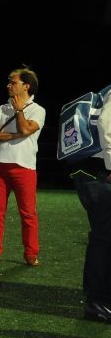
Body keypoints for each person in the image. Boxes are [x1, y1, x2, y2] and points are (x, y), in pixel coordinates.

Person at [0, 68, 45, 266]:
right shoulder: (1, 108)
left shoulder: (38, 110)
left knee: (28, 213)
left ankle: (31, 254)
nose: (8, 85)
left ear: (26, 86)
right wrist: (15, 136)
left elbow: (26, 128)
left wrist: (19, 111)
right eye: (8, 81)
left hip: (24, 167)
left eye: (13, 82)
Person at [71, 86, 111, 323]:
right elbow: (106, 123)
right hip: (101, 173)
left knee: (102, 238)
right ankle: (99, 303)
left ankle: (98, 300)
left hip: (95, 171)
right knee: (105, 239)